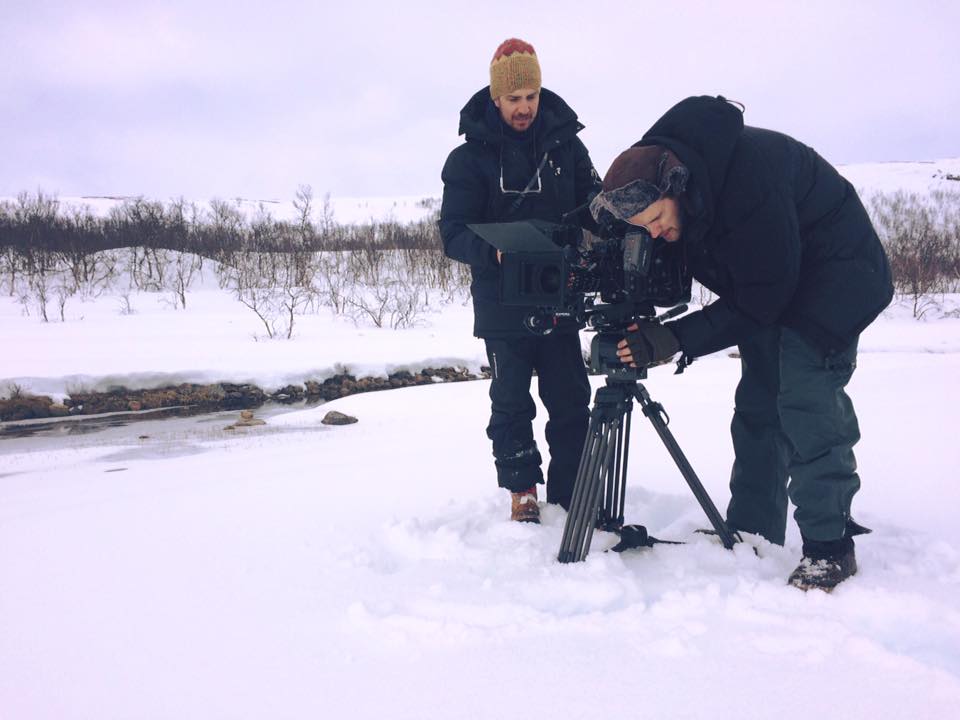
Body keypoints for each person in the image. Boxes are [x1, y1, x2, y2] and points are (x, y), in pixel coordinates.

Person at [589, 95, 893, 591]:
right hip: (773, 279)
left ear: (676, 187)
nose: (657, 233)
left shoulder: (749, 177)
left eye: (657, 218)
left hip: (836, 275)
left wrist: (671, 338)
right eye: (643, 228)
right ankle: (755, 530)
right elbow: (754, 290)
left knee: (804, 395)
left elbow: (762, 299)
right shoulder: (688, 192)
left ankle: (829, 546)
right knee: (758, 402)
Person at [438, 38, 601, 523]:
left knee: (571, 398)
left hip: (560, 295)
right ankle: (522, 491)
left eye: (531, 95)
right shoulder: (468, 160)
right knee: (511, 403)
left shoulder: (566, 145)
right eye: (514, 99)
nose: (525, 107)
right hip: (500, 298)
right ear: (496, 98)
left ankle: (570, 492)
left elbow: (593, 201)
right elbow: (452, 233)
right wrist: (495, 251)